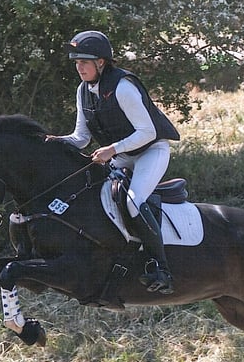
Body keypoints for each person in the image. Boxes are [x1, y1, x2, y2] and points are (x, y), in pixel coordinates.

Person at [47, 31, 180, 294]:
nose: (79, 67)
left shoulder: (123, 87)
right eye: (76, 62)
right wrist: (53, 142)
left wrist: (112, 149)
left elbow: (148, 132)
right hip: (121, 156)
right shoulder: (83, 91)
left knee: (132, 202)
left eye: (85, 62)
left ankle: (160, 268)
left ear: (102, 62)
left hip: (150, 152)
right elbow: (81, 138)